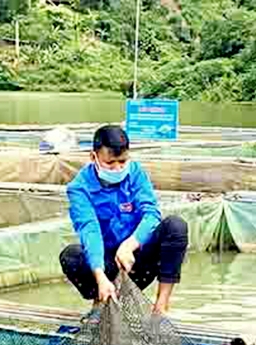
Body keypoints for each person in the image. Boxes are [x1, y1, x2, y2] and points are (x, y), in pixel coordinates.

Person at [59, 124, 188, 314]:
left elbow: (151, 215)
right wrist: (100, 275)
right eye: (110, 163)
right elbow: (89, 229)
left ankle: (161, 307)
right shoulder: (79, 188)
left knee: (176, 226)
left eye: (123, 161)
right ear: (93, 157)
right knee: (71, 256)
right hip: (108, 264)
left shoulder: (135, 172)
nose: (118, 168)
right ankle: (102, 297)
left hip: (138, 260)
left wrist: (130, 244)